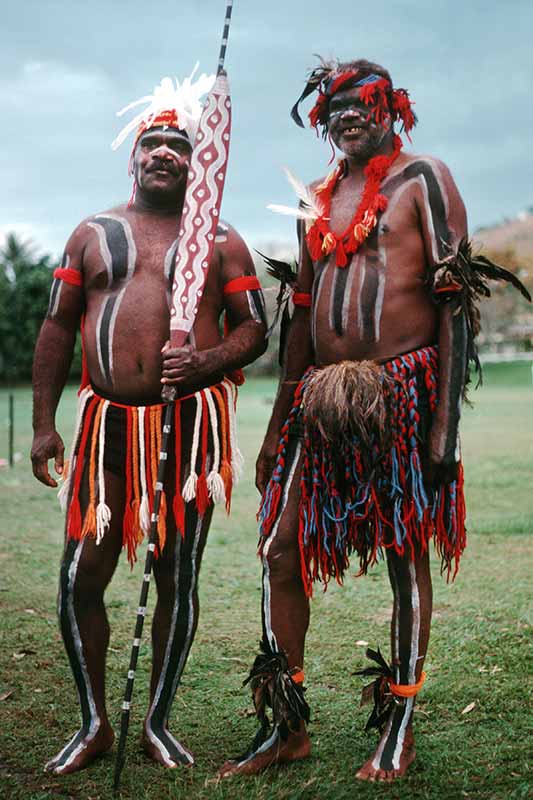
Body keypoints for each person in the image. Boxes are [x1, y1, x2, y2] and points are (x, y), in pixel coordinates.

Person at [219, 57, 530, 782]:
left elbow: (455, 299)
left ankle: (398, 725)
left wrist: (442, 428)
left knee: (403, 556)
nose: (343, 115)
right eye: (330, 109)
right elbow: (298, 315)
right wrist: (275, 427)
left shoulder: (422, 178)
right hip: (319, 399)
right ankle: (284, 726)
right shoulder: (314, 199)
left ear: (391, 108)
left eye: (359, 102)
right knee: (277, 549)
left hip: (402, 394)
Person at [31, 69, 267, 775]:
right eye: (154, 141)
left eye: (180, 143)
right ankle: (96, 721)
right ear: (134, 154)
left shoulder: (219, 240)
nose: (165, 152)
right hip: (107, 431)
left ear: (201, 160)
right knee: (81, 577)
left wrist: (206, 363)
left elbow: (253, 329)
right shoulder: (92, 233)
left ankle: (157, 721)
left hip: (188, 430)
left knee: (176, 575)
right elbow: (55, 328)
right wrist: (44, 424)